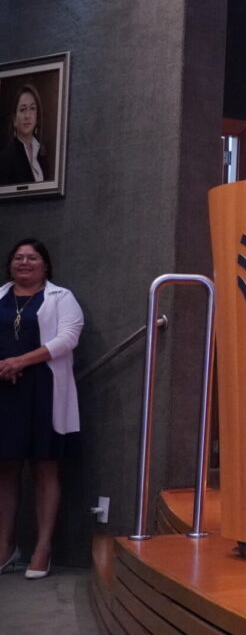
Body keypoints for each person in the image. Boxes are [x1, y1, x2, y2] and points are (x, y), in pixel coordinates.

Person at [0, 239, 83, 579]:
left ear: (45, 265)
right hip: (4, 389)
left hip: (44, 390)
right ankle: (5, 546)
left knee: (45, 469)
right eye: (18, 257)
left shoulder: (61, 298)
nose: (24, 262)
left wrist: (21, 360)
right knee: (5, 469)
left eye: (32, 257)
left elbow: (67, 338)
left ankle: (42, 548)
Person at [0, 85, 46, 186]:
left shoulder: (42, 154)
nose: (27, 115)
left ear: (37, 117)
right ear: (14, 120)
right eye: (22, 109)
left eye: (32, 108)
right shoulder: (5, 159)